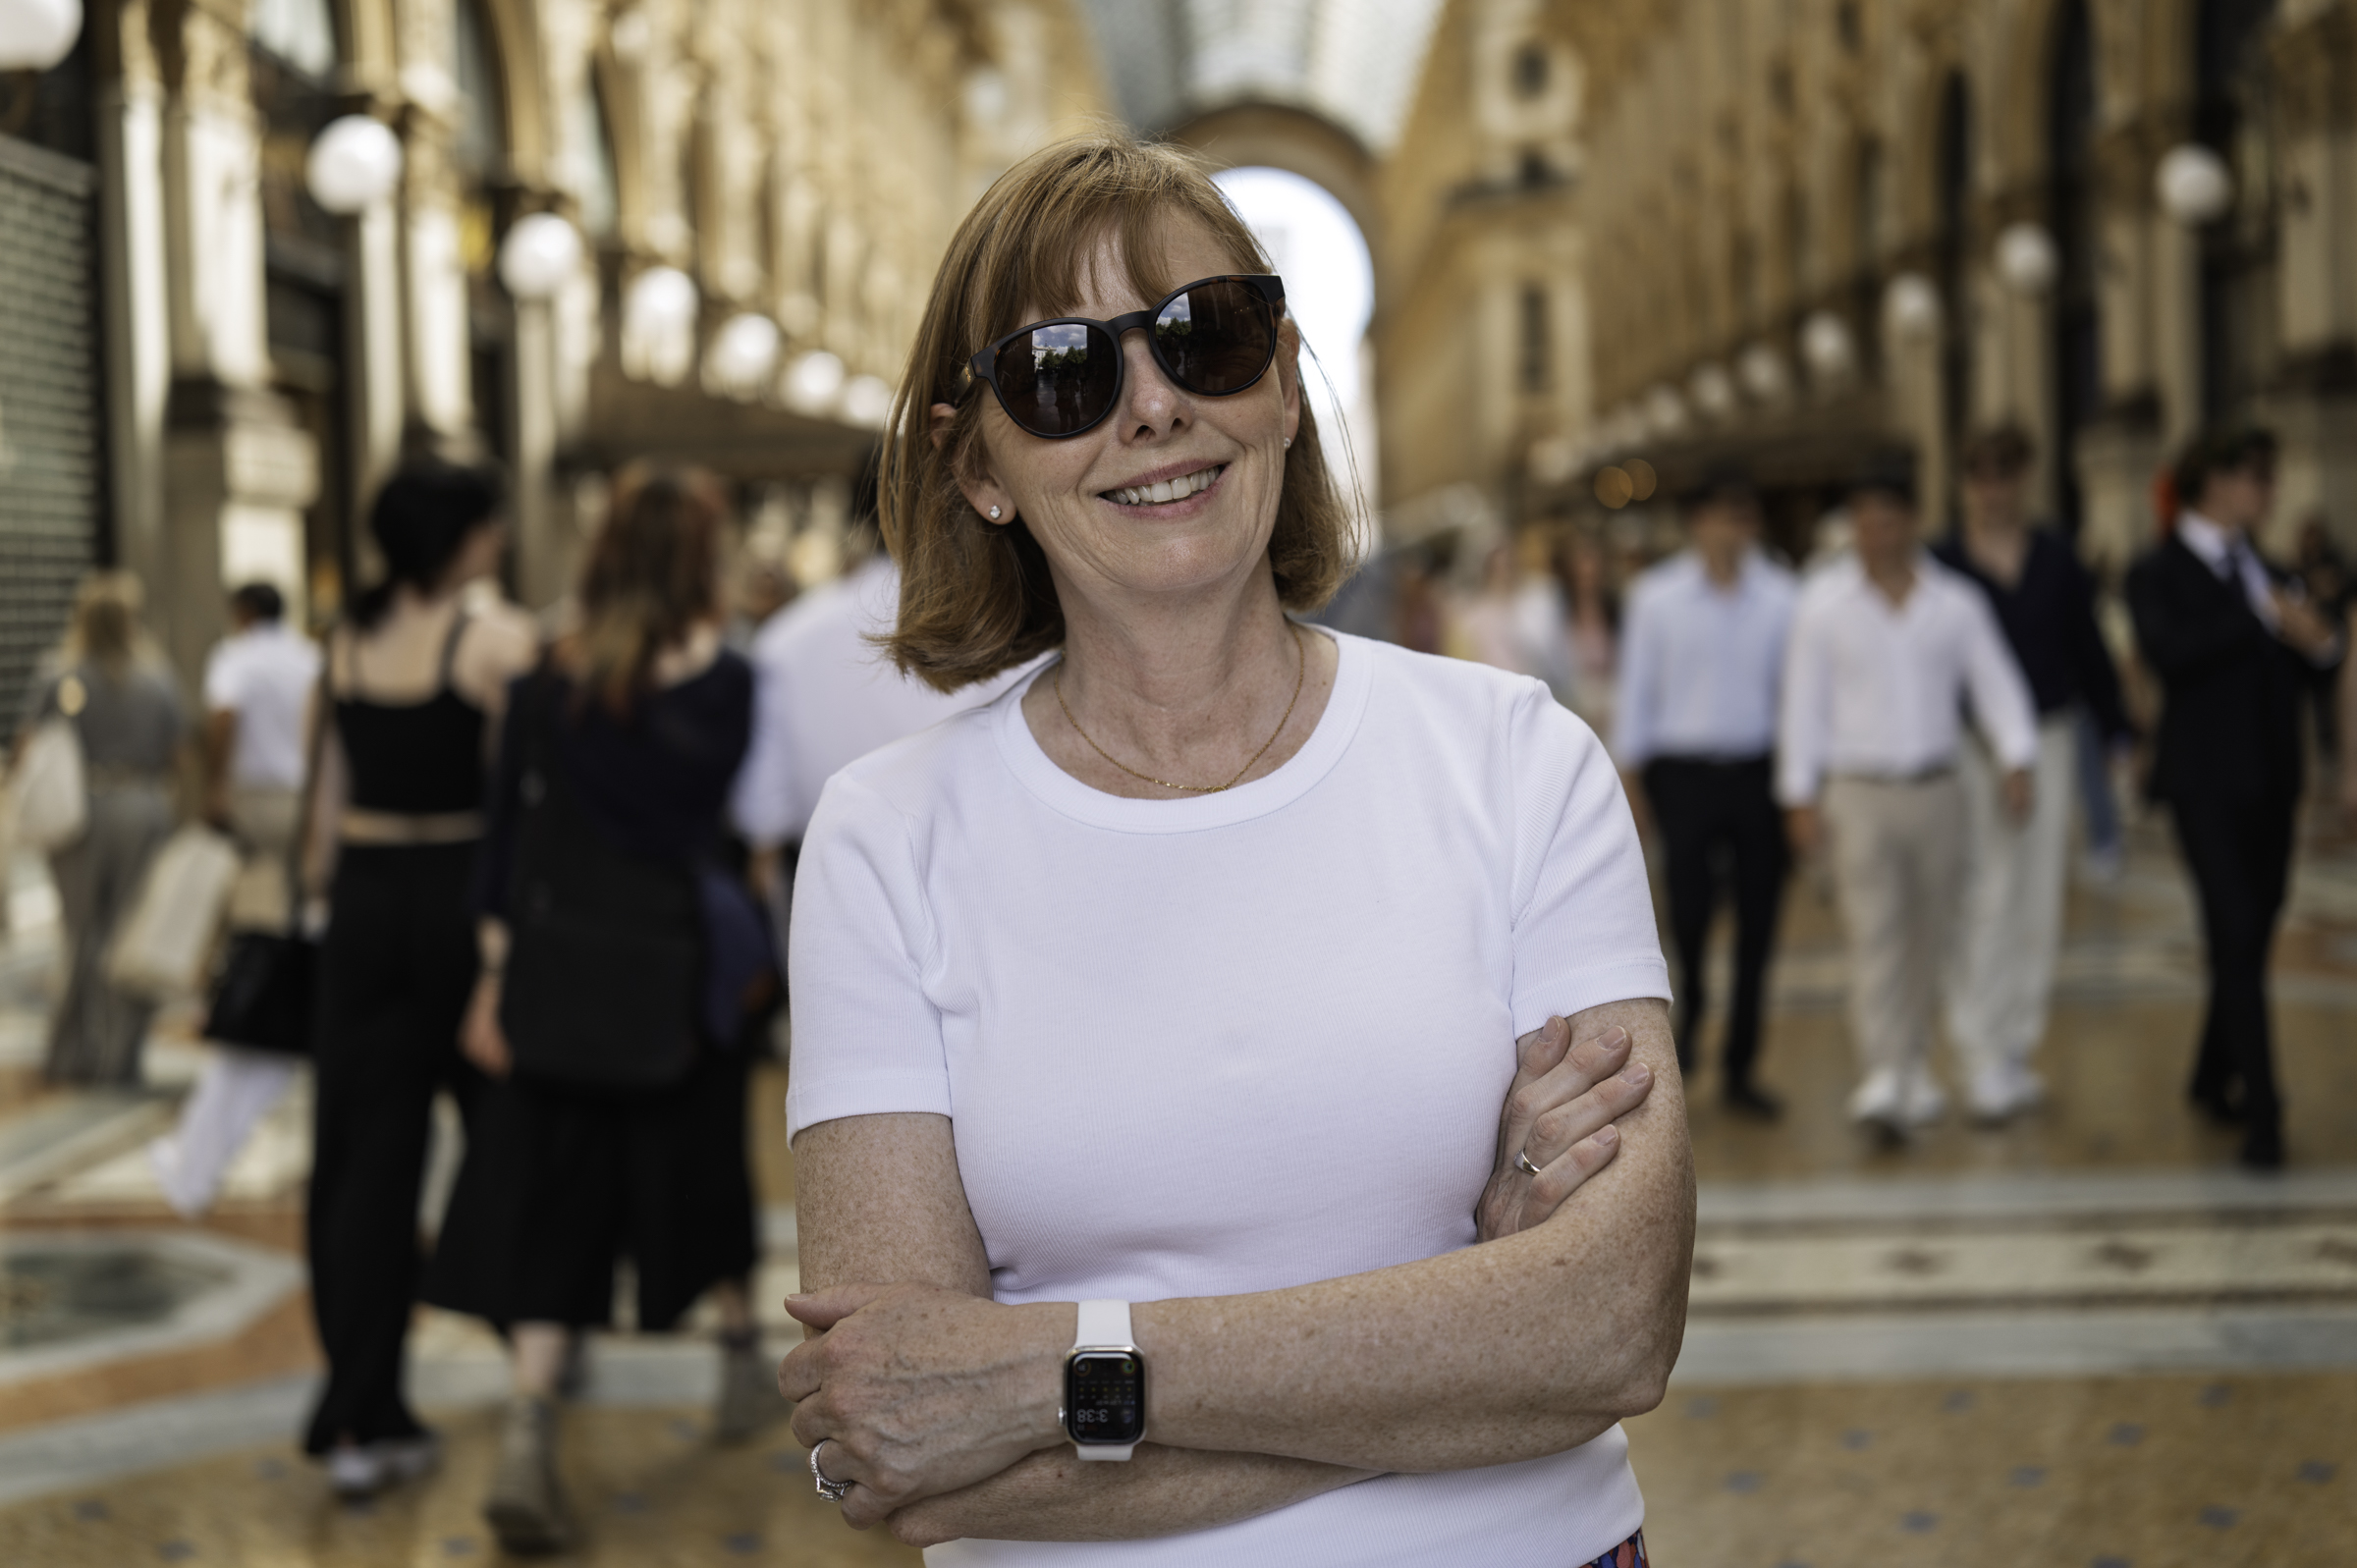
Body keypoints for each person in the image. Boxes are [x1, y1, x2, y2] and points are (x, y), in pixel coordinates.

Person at [780, 134, 1689, 1567]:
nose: (1151, 408)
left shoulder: (1519, 762)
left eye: (1206, 340)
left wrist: (1045, 1381)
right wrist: (1456, 1324)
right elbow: (908, 1454)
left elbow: (1608, 1326)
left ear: (1281, 391)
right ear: (981, 468)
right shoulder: (885, 838)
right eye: (1066, 373)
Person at [425, 467, 776, 1551]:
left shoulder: (546, 685)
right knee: (703, 1171)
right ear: (702, 565)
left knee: (553, 1209)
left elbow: (506, 850)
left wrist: (492, 980)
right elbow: (751, 824)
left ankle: (531, 1429)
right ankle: (736, 1362)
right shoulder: (730, 687)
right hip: (679, 981)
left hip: (560, 978)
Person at [301, 459, 538, 1495]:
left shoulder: (344, 643)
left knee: (360, 1166)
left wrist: (327, 910)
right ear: (461, 538)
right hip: (459, 909)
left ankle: (359, 1409)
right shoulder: (492, 642)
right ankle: (529, 1339)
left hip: (360, 907)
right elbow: (522, 816)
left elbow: (321, 815)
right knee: (513, 1138)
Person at [1778, 456, 2039, 1141]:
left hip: (1937, 788)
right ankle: (1885, 1071)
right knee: (1875, 934)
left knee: (1932, 932)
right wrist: (1798, 796)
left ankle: (1919, 1064)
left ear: (1912, 525)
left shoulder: (1954, 604)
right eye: (1864, 523)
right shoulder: (1823, 606)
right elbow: (1802, 705)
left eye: (1889, 521)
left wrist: (2017, 756)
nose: (1876, 535)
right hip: (1857, 793)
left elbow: (1997, 685)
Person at [2125, 427, 2341, 1169]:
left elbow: (2311, 665)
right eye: (2257, 477)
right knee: (2237, 929)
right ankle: (2266, 1112)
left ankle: (2210, 1072)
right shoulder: (2155, 571)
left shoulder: (2272, 574)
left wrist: (2317, 642)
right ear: (2213, 482)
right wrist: (2257, 613)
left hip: (2274, 783)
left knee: (2246, 935)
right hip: (2203, 786)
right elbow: (2171, 655)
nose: (2270, 491)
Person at [1930, 427, 2132, 1122]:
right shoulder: (1943, 562)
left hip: (2047, 738)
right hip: (1968, 748)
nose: (1993, 487)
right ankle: (1977, 1049)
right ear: (1966, 482)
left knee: (2039, 893)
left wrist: (2116, 731)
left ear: (2023, 478)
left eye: (2005, 473)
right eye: (1981, 473)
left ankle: (2014, 1046)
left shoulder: (2056, 557)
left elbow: (2089, 645)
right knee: (1983, 892)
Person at [733, 461, 1026, 928]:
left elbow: (763, 815)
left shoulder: (787, 639)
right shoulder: (1003, 636)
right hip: (982, 898)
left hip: (829, 901)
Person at [1614, 467, 1797, 1117]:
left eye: (1742, 514)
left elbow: (1797, 698)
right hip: (1682, 774)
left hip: (1758, 774)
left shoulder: (1782, 597)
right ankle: (1689, 1023)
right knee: (1687, 914)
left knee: (1759, 921)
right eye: (1721, 513)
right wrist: (1632, 786)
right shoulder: (1657, 598)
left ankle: (1743, 1063)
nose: (1732, 528)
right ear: (1698, 523)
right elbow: (1637, 693)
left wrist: (1801, 788)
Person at [145, 582, 322, 1215]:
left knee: (260, 943)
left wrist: (215, 787)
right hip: (308, 806)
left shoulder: (237, 657)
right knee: (289, 932)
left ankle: (222, 995)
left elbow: (225, 717)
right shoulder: (309, 656)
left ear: (243, 612)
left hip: (257, 803)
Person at [20, 571, 188, 1085]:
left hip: (80, 809)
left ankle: (72, 1052)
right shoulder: (157, 677)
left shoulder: (60, 675)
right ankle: (122, 1055)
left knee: (81, 932)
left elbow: (29, 747)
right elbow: (178, 752)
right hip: (142, 805)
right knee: (133, 932)